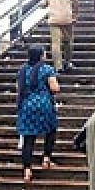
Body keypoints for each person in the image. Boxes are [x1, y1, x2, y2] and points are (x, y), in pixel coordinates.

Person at [16, 43, 61, 182]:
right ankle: (46, 158)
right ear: (41, 55)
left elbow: (19, 88)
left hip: (27, 105)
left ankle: (27, 170)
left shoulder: (22, 70)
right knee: (51, 130)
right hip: (44, 104)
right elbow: (54, 88)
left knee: (28, 139)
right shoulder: (47, 69)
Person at [42, 0, 78, 73]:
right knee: (68, 42)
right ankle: (67, 62)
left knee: (55, 44)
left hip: (54, 19)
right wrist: (75, 13)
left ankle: (58, 67)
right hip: (67, 18)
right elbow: (75, 0)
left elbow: (43, 4)